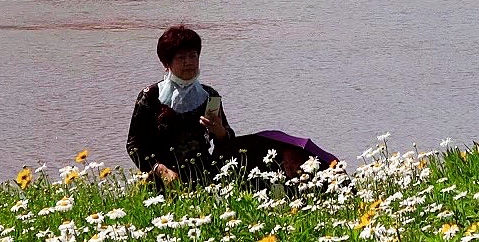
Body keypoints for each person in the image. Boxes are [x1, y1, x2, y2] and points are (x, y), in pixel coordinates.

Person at [127, 24, 335, 188]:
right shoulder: (150, 96)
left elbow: (227, 142)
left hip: (202, 177)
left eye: (193, 56)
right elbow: (134, 144)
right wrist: (159, 169)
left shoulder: (209, 95)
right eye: (181, 58)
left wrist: (220, 133)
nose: (189, 62)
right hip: (160, 178)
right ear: (167, 63)